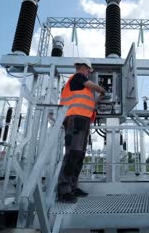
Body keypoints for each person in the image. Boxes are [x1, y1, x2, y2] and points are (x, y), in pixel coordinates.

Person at [57, 58, 106, 203]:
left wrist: (97, 100)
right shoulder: (78, 77)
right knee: (72, 154)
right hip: (75, 119)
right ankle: (63, 191)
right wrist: (103, 90)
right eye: (89, 70)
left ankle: (72, 187)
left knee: (79, 155)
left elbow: (89, 103)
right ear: (83, 67)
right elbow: (97, 88)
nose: (89, 73)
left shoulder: (82, 85)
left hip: (82, 120)